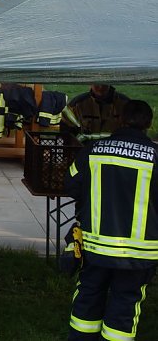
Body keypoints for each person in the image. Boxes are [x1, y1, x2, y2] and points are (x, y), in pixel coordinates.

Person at [65, 100, 158, 341]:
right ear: (149, 123)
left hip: (95, 247)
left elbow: (71, 183)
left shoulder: (94, 150)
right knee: (125, 304)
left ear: (120, 119)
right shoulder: (155, 156)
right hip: (139, 254)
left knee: (88, 296)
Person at [62, 84, 130, 141]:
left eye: (104, 83)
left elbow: (134, 132)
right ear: (90, 83)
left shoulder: (125, 104)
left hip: (116, 151)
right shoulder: (77, 105)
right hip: (85, 151)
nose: (100, 87)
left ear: (110, 82)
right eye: (97, 83)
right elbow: (66, 131)